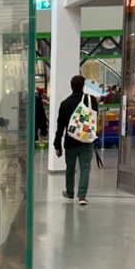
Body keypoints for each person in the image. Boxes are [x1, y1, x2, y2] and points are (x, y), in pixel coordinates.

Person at [54, 74, 98, 205]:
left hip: (71, 140)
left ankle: (70, 192)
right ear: (83, 86)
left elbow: (60, 126)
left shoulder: (65, 104)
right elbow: (94, 118)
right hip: (87, 139)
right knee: (85, 167)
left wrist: (57, 144)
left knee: (70, 168)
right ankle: (82, 196)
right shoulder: (91, 100)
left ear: (71, 86)